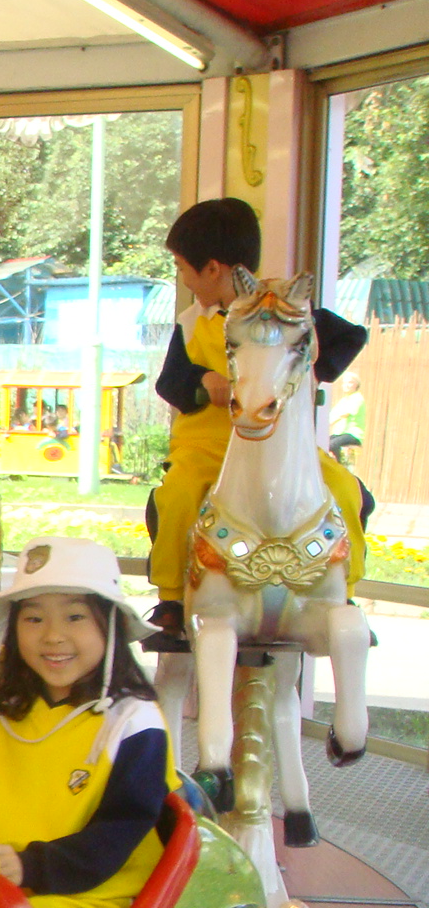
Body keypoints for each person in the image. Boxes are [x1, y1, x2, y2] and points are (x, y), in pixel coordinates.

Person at [146, 197, 369, 639]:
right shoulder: (193, 323)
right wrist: (202, 381)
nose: (182, 279)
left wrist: (314, 366)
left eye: (183, 268)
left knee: (345, 488)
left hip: (282, 450)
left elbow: (351, 336)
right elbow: (169, 381)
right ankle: (171, 596)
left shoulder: (287, 312)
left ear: (212, 269)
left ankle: (344, 588)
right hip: (209, 445)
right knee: (180, 494)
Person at [0, 537, 175, 908]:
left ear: (110, 625)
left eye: (75, 616)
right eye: (34, 618)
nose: (53, 636)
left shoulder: (133, 723)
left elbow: (119, 831)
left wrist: (30, 866)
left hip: (93, 900)